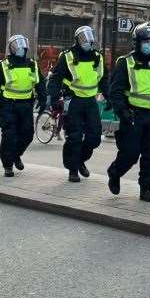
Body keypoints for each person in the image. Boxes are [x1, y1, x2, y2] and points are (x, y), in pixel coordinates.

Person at [106, 23, 150, 201]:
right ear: (137, 43)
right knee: (130, 153)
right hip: (133, 115)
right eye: (144, 41)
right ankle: (115, 172)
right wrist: (123, 111)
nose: (148, 45)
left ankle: (146, 188)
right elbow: (115, 91)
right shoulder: (126, 63)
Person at [47, 25, 107, 183]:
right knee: (74, 137)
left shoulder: (97, 57)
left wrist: (110, 98)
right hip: (73, 100)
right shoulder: (67, 56)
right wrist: (54, 99)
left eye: (90, 38)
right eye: (84, 39)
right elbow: (55, 78)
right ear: (77, 40)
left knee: (94, 137)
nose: (87, 41)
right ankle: (73, 169)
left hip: (91, 101)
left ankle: (80, 160)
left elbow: (104, 79)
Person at [0, 34, 39, 177]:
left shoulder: (32, 64)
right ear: (11, 48)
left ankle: (16, 155)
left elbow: (39, 82)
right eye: (18, 46)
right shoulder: (3, 65)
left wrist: (42, 97)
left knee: (27, 135)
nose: (21, 49)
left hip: (26, 104)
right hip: (8, 105)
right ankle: (8, 165)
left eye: (23, 46)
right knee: (9, 136)